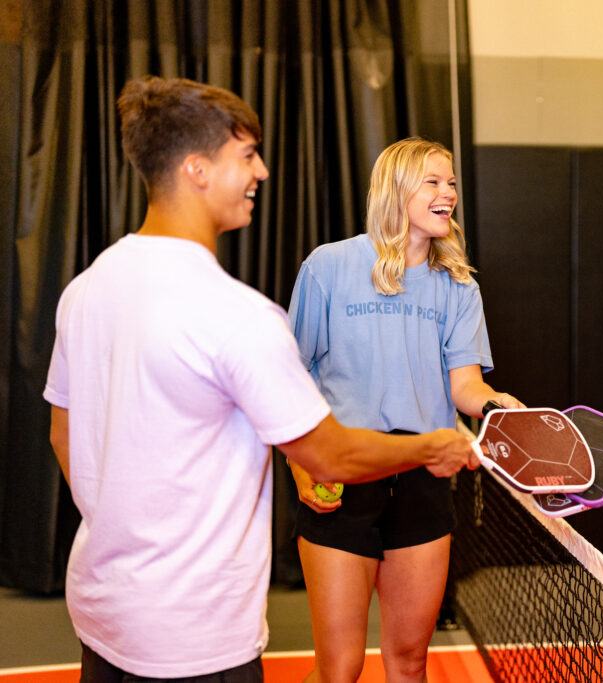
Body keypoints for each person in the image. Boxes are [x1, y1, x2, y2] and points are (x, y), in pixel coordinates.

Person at [42, 76, 476, 681]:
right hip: (202, 638)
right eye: (246, 155)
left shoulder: (83, 291)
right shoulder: (242, 317)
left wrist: (121, 528)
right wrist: (438, 444)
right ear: (197, 169)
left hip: (104, 612)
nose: (263, 172)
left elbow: (64, 435)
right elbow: (326, 451)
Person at [285, 137, 523, 683]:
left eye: (452, 183)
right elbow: (288, 378)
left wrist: (494, 404)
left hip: (424, 480)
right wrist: (302, 463)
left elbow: (464, 384)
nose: (449, 194)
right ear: (395, 189)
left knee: (410, 661)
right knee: (339, 667)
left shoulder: (458, 285)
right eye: (433, 181)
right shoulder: (329, 266)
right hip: (344, 477)